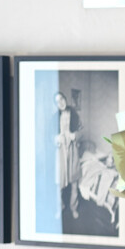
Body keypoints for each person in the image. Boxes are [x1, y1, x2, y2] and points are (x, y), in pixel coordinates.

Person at [54, 91, 81, 221]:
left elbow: (81, 130)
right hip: (60, 153)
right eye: (57, 101)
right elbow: (49, 136)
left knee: (74, 182)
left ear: (65, 99)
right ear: (56, 105)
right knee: (59, 183)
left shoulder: (74, 113)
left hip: (73, 152)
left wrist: (75, 135)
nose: (61, 103)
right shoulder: (54, 117)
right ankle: (60, 207)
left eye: (62, 99)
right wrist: (55, 138)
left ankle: (74, 208)